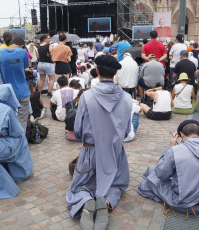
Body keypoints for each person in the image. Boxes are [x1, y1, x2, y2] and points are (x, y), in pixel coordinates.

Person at [66, 55, 132, 230]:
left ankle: (85, 201)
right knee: (116, 184)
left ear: (97, 72)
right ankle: (107, 202)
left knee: (80, 185)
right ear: (116, 72)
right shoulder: (126, 98)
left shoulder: (86, 96)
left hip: (90, 153)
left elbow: (78, 130)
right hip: (114, 152)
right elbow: (126, 131)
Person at [137, 120, 199, 215]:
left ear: (181, 135)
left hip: (185, 206)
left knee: (152, 171)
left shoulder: (175, 151)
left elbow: (161, 174)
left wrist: (170, 148)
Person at [0, 37, 31, 129]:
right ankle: (21, 141)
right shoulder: (23, 52)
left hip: (8, 93)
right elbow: (26, 69)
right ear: (22, 46)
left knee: (8, 120)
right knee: (22, 120)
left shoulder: (0, 52)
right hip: (23, 91)